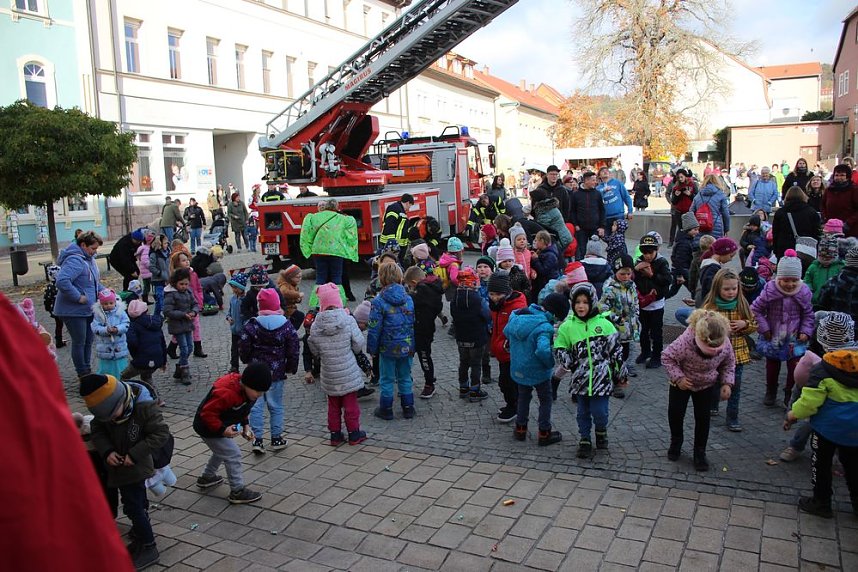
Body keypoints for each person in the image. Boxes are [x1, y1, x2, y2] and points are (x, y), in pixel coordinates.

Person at [81, 373, 170, 569]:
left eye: (113, 414)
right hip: (118, 468)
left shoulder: (144, 408)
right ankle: (139, 534)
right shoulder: (105, 414)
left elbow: (161, 433)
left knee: (133, 507)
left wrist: (135, 454)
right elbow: (98, 430)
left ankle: (149, 545)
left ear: (122, 400)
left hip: (136, 467)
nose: (110, 419)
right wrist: (107, 452)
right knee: (135, 504)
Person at [784, 337, 858, 518]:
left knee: (821, 464)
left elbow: (809, 403)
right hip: (854, 432)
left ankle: (821, 502)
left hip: (826, 430)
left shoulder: (822, 370)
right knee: (854, 466)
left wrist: (792, 415)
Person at [556, 282, 625, 457]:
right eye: (577, 302)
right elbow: (560, 345)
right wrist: (567, 359)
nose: (581, 306)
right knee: (582, 412)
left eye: (585, 302)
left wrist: (620, 374)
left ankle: (601, 430)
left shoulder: (605, 325)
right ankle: (584, 438)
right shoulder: (568, 326)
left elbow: (615, 351)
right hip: (580, 379)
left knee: (599, 411)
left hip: (601, 378)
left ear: (592, 302)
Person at [662, 310, 735, 471]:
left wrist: (727, 383)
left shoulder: (725, 342)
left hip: (706, 385)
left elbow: (729, 363)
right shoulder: (685, 341)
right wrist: (679, 378)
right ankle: (676, 441)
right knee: (676, 413)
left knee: (703, 418)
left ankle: (700, 451)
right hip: (682, 383)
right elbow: (667, 357)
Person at [193, 364, 270, 504]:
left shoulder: (248, 392)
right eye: (257, 391)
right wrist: (222, 430)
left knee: (221, 451)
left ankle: (207, 478)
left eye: (262, 392)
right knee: (233, 453)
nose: (259, 395)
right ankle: (237, 490)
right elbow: (207, 414)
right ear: (247, 384)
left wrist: (246, 426)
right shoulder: (226, 392)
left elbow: (242, 410)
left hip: (219, 424)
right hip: (207, 426)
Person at [239, 288, 300, 454]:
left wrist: (246, 360)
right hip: (276, 372)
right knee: (276, 405)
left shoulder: (252, 325)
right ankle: (276, 437)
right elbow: (293, 348)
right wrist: (291, 366)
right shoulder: (286, 325)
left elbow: (244, 345)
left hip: (255, 372)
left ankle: (257, 439)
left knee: (256, 406)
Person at [307, 283, 369, 446]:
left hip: (329, 373)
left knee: (333, 405)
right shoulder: (347, 320)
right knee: (350, 404)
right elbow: (358, 344)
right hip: (348, 371)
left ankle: (335, 435)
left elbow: (313, 348)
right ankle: (354, 433)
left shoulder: (315, 325)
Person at [751, 250, 815, 407]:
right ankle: (771, 390)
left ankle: (789, 392)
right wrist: (764, 329)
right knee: (772, 365)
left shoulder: (803, 291)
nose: (790, 284)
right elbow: (756, 310)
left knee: (794, 366)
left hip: (795, 336)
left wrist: (805, 331)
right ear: (779, 277)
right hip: (773, 334)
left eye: (794, 280)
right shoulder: (770, 289)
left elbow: (808, 314)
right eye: (786, 280)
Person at [701, 268, 757, 431]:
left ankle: (732, 417)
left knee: (735, 387)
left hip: (737, 354)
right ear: (718, 288)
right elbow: (701, 329)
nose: (731, 292)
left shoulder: (742, 304)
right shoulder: (710, 306)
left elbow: (754, 325)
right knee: (714, 382)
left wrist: (744, 325)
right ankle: (713, 404)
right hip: (716, 354)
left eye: (734, 288)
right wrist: (717, 329)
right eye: (726, 289)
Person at [505, 297, 565, 446]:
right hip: (538, 371)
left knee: (523, 397)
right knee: (545, 399)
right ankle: (544, 432)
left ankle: (520, 428)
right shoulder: (544, 327)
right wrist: (549, 363)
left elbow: (506, 332)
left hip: (519, 368)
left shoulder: (517, 315)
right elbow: (543, 350)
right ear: (553, 313)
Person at [367, 262, 416, 420]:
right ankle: (408, 407)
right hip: (406, 345)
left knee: (387, 379)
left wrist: (372, 349)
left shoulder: (378, 302)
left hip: (387, 347)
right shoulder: (408, 299)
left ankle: (386, 409)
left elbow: (374, 328)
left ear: (381, 279)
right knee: (405, 376)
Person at [53, 230, 105, 377]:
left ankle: (87, 370)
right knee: (79, 341)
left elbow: (93, 283)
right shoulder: (75, 260)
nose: (95, 252)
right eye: (93, 248)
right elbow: (62, 281)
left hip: (87, 309)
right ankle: (82, 373)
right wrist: (78, 297)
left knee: (89, 340)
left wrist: (105, 292)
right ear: (83, 245)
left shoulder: (89, 259)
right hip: (73, 310)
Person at [488, 271, 528, 422]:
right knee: (507, 382)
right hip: (500, 350)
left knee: (506, 382)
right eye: (492, 294)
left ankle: (514, 406)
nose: (494, 297)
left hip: (511, 352)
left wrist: (506, 345)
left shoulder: (516, 306)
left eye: (498, 294)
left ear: (507, 292)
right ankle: (512, 404)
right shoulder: (496, 304)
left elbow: (520, 330)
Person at [599, 254, 640, 397]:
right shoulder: (610, 288)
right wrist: (615, 318)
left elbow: (635, 302)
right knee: (615, 356)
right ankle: (615, 383)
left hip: (628, 329)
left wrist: (636, 316)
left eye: (629, 273)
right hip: (615, 330)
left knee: (625, 354)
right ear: (615, 272)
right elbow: (602, 308)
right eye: (622, 274)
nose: (626, 276)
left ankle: (620, 375)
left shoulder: (631, 285)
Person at [300, 198, 359, 293]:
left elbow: (307, 232)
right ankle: (337, 301)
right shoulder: (343, 218)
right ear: (337, 207)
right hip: (336, 251)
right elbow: (351, 229)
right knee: (336, 277)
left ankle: (318, 302)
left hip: (318, 251)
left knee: (320, 277)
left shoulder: (313, 217)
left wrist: (308, 248)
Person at [450, 267, 491, 401]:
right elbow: (487, 315)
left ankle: (463, 388)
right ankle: (475, 391)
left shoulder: (454, 298)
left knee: (463, 362)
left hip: (461, 336)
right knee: (475, 364)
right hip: (477, 337)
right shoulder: (478, 299)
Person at [634, 234, 672, 369]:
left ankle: (657, 356)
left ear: (656, 250)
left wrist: (652, 275)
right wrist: (636, 271)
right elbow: (634, 280)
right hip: (643, 303)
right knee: (643, 330)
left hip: (656, 304)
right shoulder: (638, 261)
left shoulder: (662, 262)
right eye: (645, 252)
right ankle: (645, 352)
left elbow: (667, 280)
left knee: (656, 332)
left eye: (650, 252)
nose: (648, 256)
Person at [405, 266, 444, 399]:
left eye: (410, 286)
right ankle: (428, 381)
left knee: (423, 356)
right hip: (426, 328)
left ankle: (429, 383)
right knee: (424, 356)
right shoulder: (433, 288)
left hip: (422, 330)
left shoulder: (421, 292)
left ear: (415, 283)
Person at [163, 267, 199, 385]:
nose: (184, 286)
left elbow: (195, 304)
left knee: (190, 347)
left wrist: (194, 312)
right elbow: (167, 311)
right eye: (181, 284)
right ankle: (185, 371)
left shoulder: (188, 292)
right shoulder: (171, 294)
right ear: (175, 283)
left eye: (186, 284)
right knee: (184, 348)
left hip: (188, 324)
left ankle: (180, 366)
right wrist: (183, 315)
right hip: (177, 325)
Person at [123, 299, 166, 385]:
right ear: (146, 311)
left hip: (141, 361)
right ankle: (154, 396)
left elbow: (132, 342)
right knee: (146, 376)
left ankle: (128, 394)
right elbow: (163, 344)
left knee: (124, 377)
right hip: (157, 360)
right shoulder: (155, 323)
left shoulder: (133, 326)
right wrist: (164, 361)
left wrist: (135, 355)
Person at [772, 186, 821, 260]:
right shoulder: (811, 212)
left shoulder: (781, 213)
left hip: (784, 249)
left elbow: (775, 233)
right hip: (806, 250)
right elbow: (817, 233)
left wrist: (776, 251)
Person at [91, 288, 130, 379]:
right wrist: (105, 330)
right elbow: (95, 327)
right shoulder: (98, 315)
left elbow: (126, 323)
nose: (108, 306)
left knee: (121, 368)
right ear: (101, 304)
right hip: (105, 348)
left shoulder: (120, 313)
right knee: (106, 369)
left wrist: (117, 329)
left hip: (119, 347)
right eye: (105, 304)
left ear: (115, 302)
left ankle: (122, 382)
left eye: (111, 303)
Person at [568, 171, 606, 259]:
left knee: (595, 250)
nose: (595, 182)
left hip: (595, 227)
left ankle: (595, 268)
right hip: (581, 228)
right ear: (586, 181)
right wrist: (575, 224)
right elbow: (572, 211)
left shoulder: (597, 194)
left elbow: (602, 210)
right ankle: (580, 267)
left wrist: (602, 226)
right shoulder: (576, 194)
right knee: (580, 250)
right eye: (593, 180)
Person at [804, 238, 844, 308]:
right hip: (815, 303)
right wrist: (810, 295)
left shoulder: (841, 267)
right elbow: (807, 282)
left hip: (835, 304)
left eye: (828, 258)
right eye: (822, 257)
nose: (825, 260)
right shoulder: (813, 267)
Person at [822, 164, 858, 238]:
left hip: (849, 229)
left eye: (842, 175)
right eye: (837, 175)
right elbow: (823, 206)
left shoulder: (854, 190)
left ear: (847, 177)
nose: (839, 177)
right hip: (831, 228)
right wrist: (826, 219)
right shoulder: (829, 190)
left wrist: (848, 223)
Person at [690, 175, 731, 239]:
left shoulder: (698, 195)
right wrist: (726, 229)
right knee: (715, 247)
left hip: (700, 225)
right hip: (716, 226)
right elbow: (725, 214)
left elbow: (691, 212)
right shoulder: (721, 195)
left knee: (701, 246)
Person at [597, 166, 633, 231]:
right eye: (603, 171)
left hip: (618, 215)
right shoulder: (598, 188)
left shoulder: (617, 183)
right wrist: (603, 191)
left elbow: (626, 197)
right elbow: (597, 202)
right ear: (599, 176)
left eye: (607, 171)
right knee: (607, 238)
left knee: (619, 238)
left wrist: (630, 211)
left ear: (610, 174)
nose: (605, 172)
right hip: (606, 217)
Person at [668, 169, 697, 246]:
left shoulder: (692, 185)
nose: (680, 179)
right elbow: (674, 202)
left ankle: (690, 244)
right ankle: (679, 244)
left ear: (685, 176)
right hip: (679, 211)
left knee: (690, 229)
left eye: (681, 177)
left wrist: (690, 194)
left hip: (689, 211)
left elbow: (697, 198)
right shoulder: (676, 187)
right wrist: (676, 196)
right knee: (681, 229)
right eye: (679, 178)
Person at [42, 264, 65, 348]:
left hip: (55, 309)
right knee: (70, 323)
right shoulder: (63, 285)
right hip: (66, 308)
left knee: (59, 325)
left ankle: (58, 340)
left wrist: (47, 308)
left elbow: (47, 299)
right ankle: (76, 337)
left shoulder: (50, 287)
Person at [148, 234, 170, 317]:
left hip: (167, 279)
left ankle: (156, 315)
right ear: (159, 244)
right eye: (165, 243)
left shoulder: (167, 253)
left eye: (167, 243)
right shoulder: (154, 254)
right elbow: (151, 267)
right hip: (157, 280)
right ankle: (164, 314)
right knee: (160, 296)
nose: (166, 245)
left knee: (163, 297)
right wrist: (159, 273)